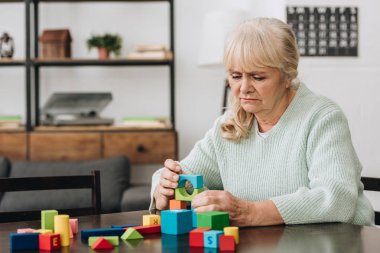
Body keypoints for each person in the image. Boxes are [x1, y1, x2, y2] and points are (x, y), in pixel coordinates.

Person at [150, 17, 374, 227]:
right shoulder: (229, 125)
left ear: (288, 75)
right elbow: (183, 173)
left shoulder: (322, 118)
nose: (244, 88)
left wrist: (249, 212)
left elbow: (336, 199)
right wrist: (164, 186)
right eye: (236, 76)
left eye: (258, 77)